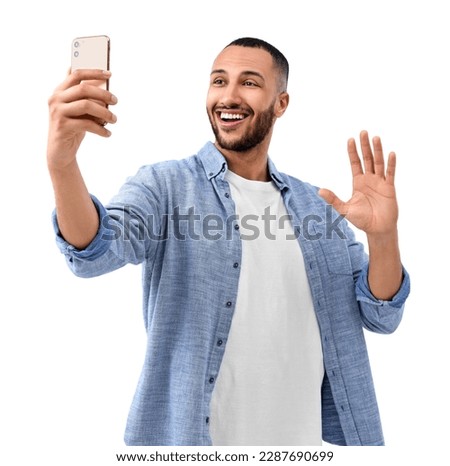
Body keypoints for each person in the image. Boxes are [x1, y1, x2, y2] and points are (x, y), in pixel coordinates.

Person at [47, 37, 410, 446]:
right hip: (192, 445)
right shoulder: (166, 187)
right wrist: (62, 164)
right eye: (219, 81)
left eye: (250, 83)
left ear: (281, 103)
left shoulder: (319, 207)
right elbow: (94, 251)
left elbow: (382, 314)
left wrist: (383, 237)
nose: (229, 96)